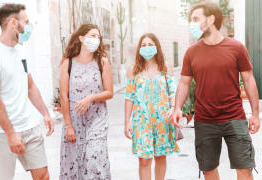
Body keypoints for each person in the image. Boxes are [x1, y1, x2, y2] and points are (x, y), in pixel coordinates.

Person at [173, 2, 260, 180]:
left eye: (196, 19)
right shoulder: (191, 52)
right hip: (205, 120)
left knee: (244, 167)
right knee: (209, 169)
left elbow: (249, 79)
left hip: (234, 117)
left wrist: (256, 114)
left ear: (211, 19)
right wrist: (177, 108)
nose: (192, 23)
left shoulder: (236, 48)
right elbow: (183, 83)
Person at [0, 3, 54, 180]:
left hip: (29, 127)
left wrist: (45, 113)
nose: (29, 26)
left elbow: (30, 86)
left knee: (43, 176)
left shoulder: (21, 51)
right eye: (26, 22)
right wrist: (11, 134)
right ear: (13, 23)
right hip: (1, 132)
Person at [59, 24, 113, 180]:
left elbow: (109, 92)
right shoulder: (67, 63)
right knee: (73, 164)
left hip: (97, 119)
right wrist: (68, 125)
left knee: (93, 160)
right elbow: (63, 95)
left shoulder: (102, 62)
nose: (96, 39)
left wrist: (90, 98)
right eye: (92, 35)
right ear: (81, 38)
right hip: (74, 120)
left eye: (98, 37)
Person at [124, 33, 180, 180]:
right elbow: (129, 97)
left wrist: (173, 108)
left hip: (163, 119)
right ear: (139, 49)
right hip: (141, 121)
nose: (147, 48)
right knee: (144, 159)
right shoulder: (133, 70)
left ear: (156, 47)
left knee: (160, 157)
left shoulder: (165, 67)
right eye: (143, 45)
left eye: (150, 44)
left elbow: (173, 91)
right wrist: (126, 121)